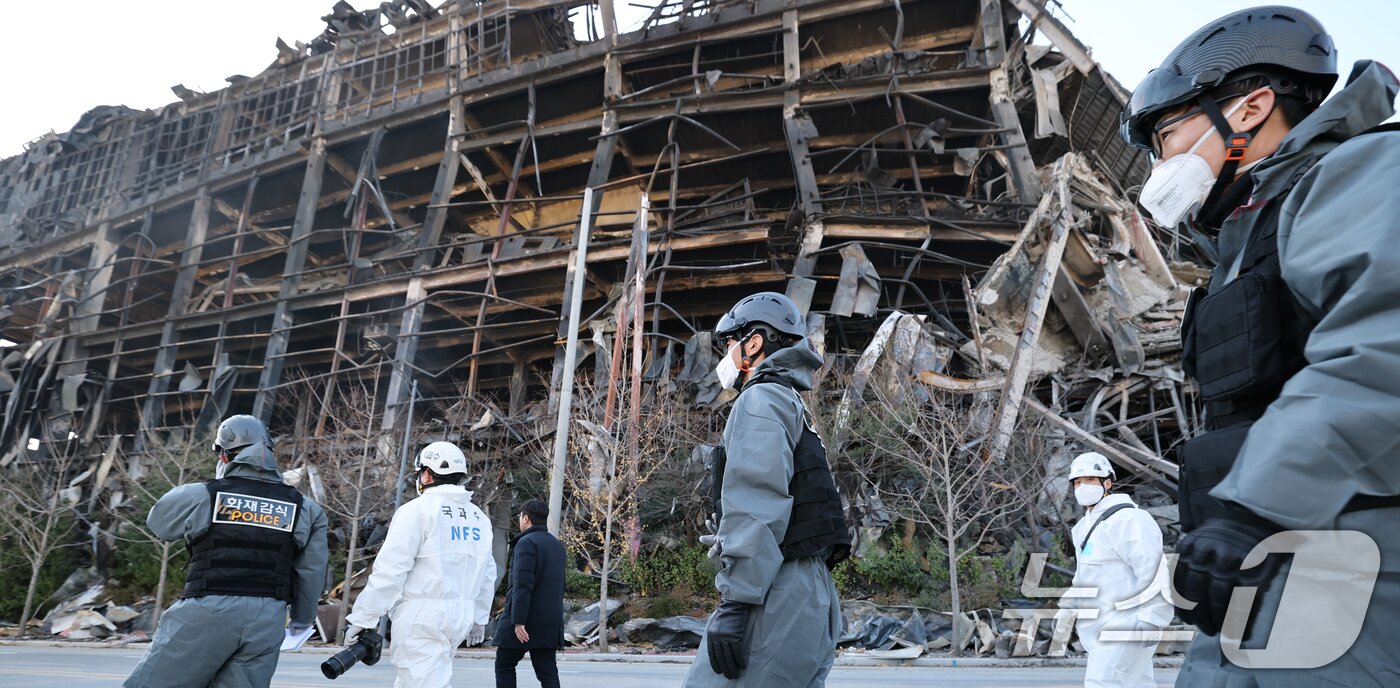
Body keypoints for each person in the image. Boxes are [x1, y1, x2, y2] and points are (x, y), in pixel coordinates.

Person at [1119, 6, 1400, 685]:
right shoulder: (1246, 241)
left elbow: (1381, 354)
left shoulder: (1363, 174)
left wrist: (1254, 508)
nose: (1161, 163)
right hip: (1256, 561)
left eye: (1167, 133)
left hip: (1351, 566)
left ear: (1250, 108)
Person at [684, 291, 851, 688]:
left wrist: (736, 602)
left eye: (730, 342)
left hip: (776, 589)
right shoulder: (791, 402)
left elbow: (757, 504)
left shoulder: (760, 399)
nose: (726, 355)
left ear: (754, 343)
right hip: (810, 591)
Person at [124, 414, 329, 688]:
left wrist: (218, 484)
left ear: (223, 455)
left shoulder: (203, 494)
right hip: (267, 621)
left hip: (208, 609)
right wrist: (302, 620)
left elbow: (159, 523)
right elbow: (312, 571)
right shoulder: (306, 509)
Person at [343, 441, 496, 688]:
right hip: (460, 616)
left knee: (422, 682)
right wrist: (479, 617)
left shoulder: (417, 511)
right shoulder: (478, 518)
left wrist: (363, 617)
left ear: (426, 474)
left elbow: (391, 570)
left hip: (422, 617)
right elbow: (487, 573)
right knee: (418, 680)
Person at [1057, 453, 1171, 688]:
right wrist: (1068, 609)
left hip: (1128, 622)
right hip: (1098, 626)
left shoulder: (1131, 519)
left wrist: (1152, 618)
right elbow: (1084, 577)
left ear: (1107, 483)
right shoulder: (1083, 528)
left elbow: (1153, 570)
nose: (1082, 487)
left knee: (1102, 682)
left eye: (1090, 480)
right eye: (1077, 482)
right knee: (1135, 683)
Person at [494, 499, 566, 688]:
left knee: (504, 665)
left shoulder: (526, 543)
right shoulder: (557, 545)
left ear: (526, 518)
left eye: (520, 516)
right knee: (548, 673)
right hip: (549, 623)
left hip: (525, 621)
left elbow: (522, 585)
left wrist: (518, 621)